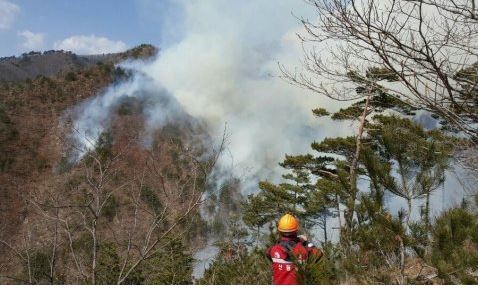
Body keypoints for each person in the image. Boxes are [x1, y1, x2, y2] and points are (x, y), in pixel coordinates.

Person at [266, 214, 323, 285]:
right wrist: (305, 242)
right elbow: (319, 254)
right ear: (296, 230)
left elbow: (268, 253)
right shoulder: (304, 249)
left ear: (280, 231)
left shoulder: (273, 250)